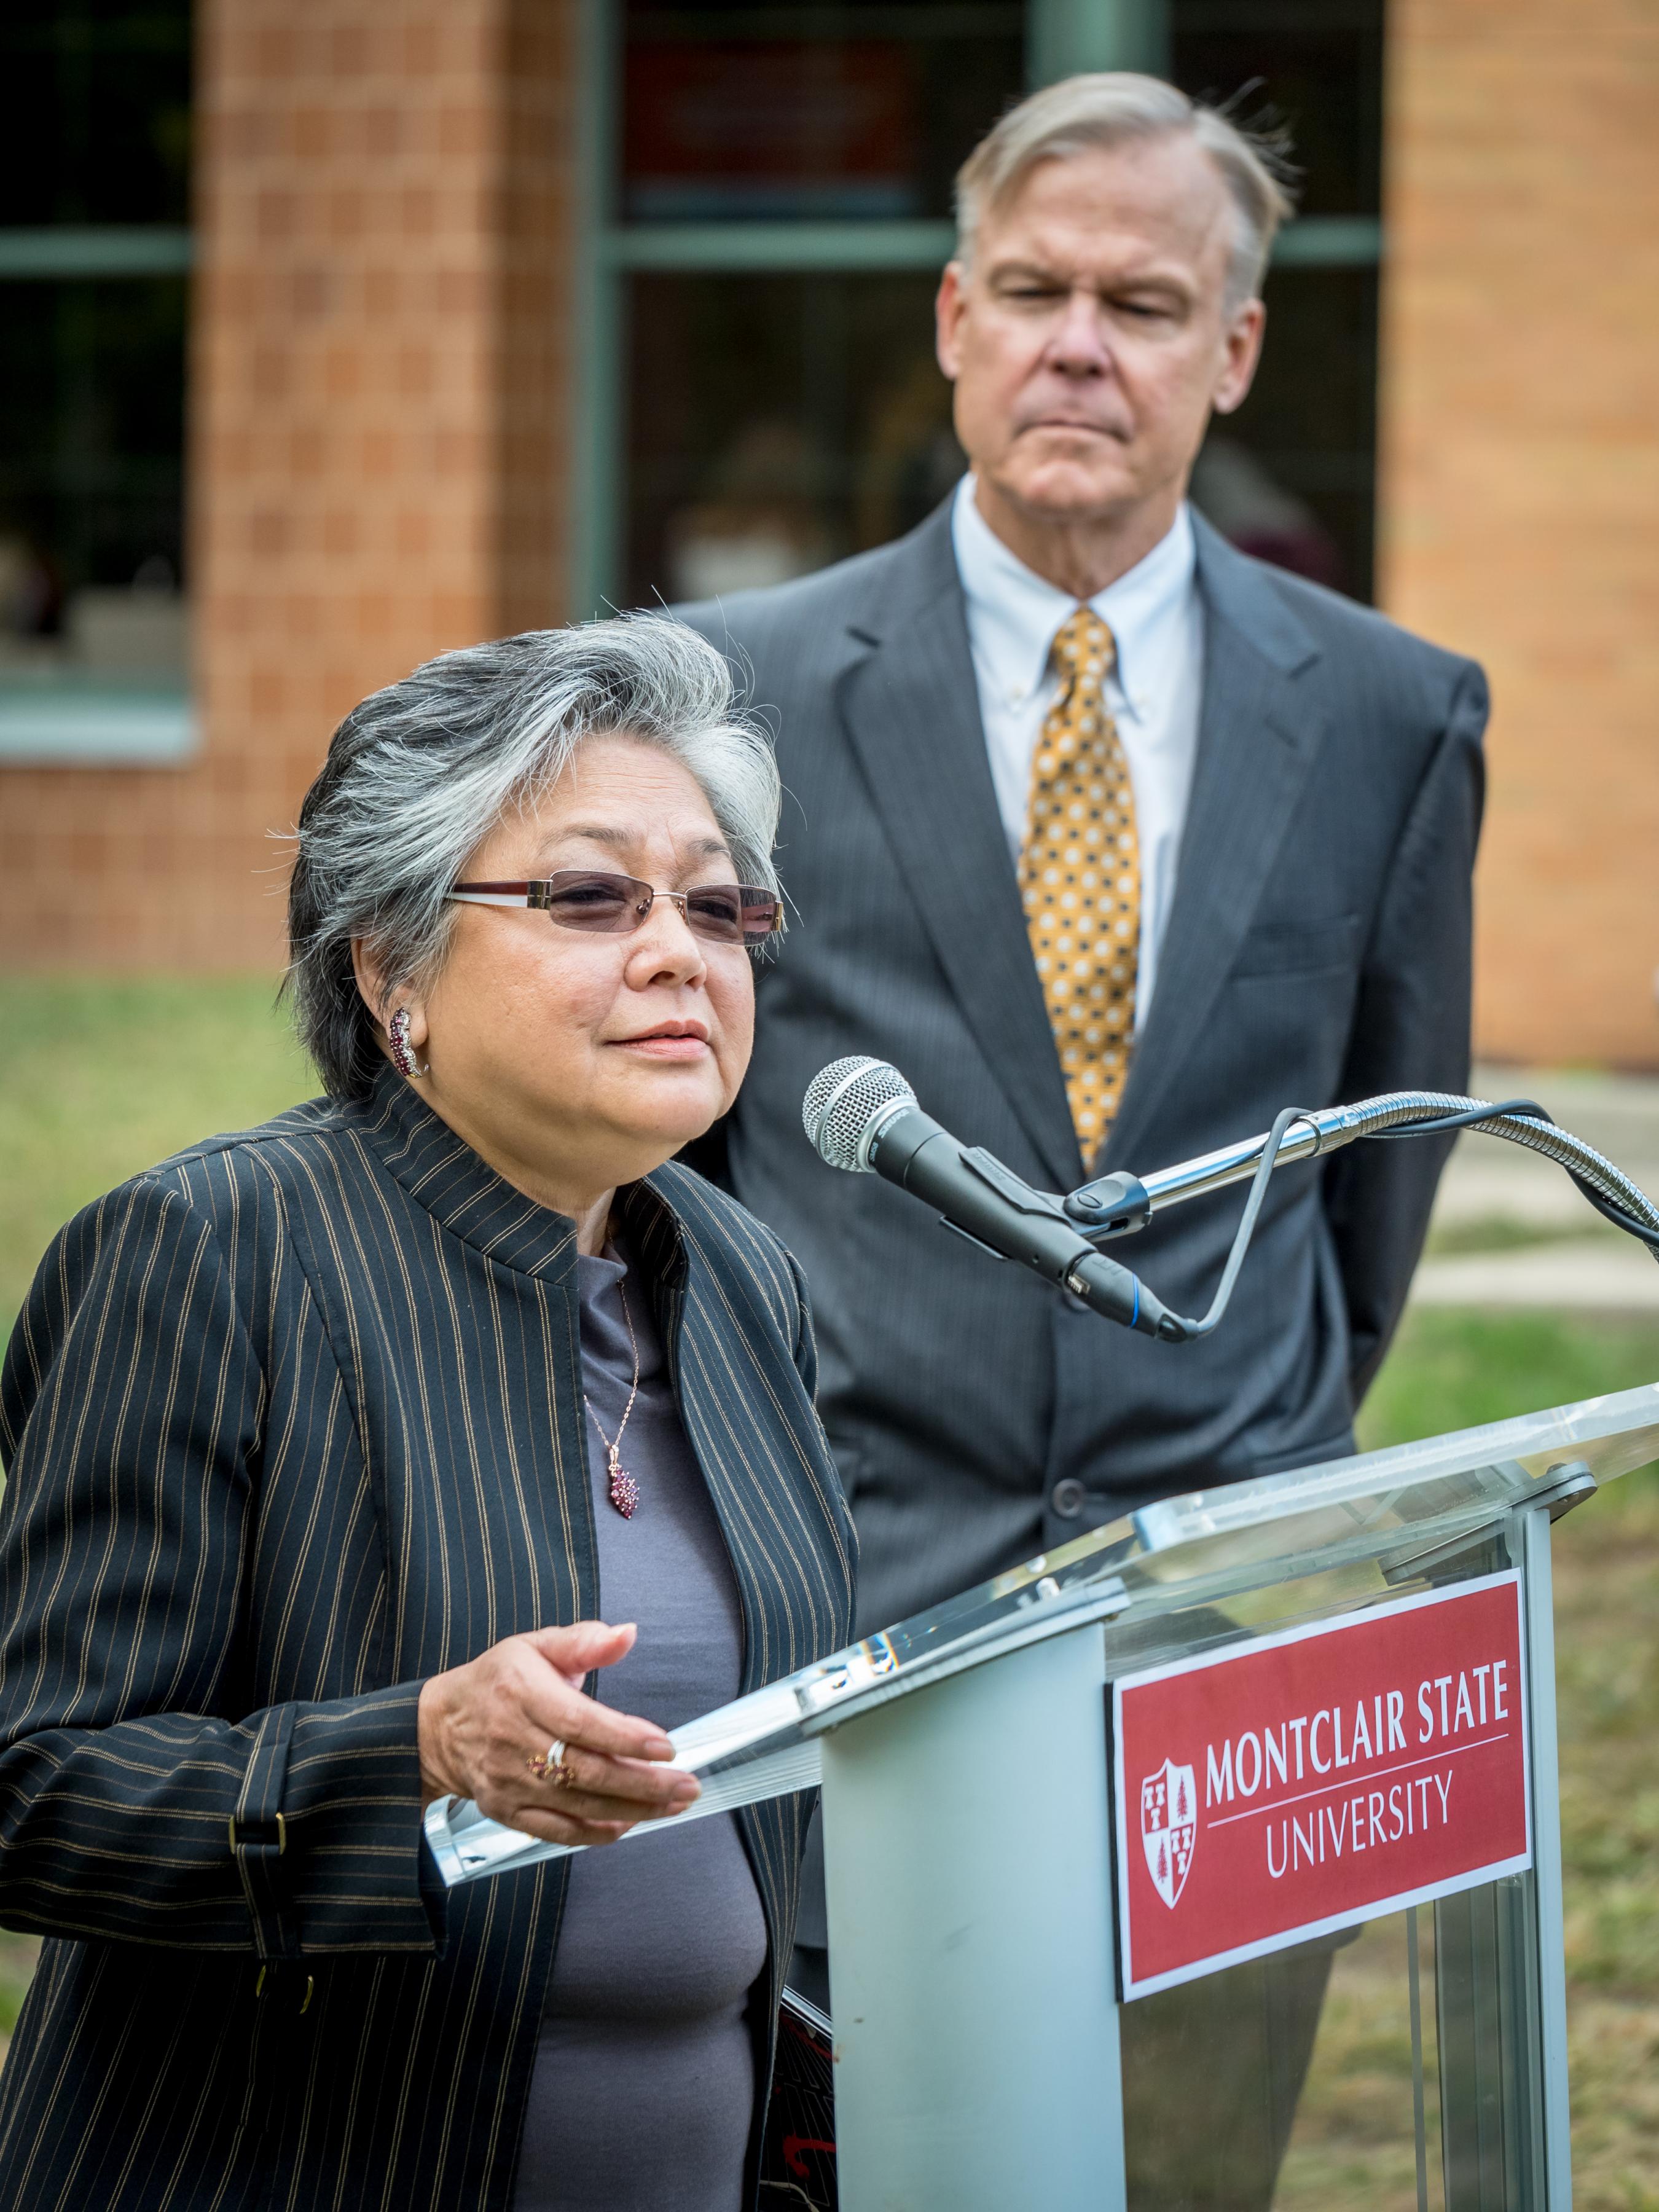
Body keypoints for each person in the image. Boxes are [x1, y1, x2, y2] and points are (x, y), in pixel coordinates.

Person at [675, 73, 1486, 2197]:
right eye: (1031, 291)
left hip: (1224, 1645)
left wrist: (1241, 1455)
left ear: (1232, 351)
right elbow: (672, 1164)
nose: (1075, 347)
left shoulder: (1393, 710)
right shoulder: (722, 694)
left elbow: (1372, 1190)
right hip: (843, 1615)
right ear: (952, 318)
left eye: (1140, 303)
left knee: (1188, 2174)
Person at [0, 619, 855, 2212]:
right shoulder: (211, 1253)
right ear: (390, 967)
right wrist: (412, 1755)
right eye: (590, 896)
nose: (679, 950)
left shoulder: (742, 1276)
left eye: (716, 902)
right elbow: (35, 1789)